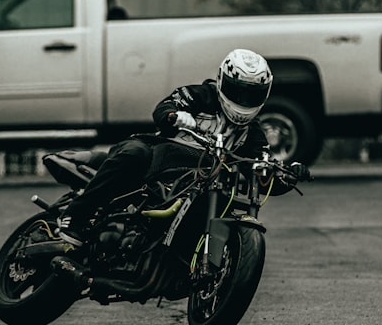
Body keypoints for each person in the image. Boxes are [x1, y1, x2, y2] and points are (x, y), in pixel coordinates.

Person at [56, 48, 306, 249]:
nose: (242, 101)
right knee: (134, 153)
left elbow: (262, 171)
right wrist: (174, 116)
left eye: (251, 95)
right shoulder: (202, 95)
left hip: (198, 184)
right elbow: (165, 106)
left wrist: (286, 175)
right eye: (237, 92)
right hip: (158, 155)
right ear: (221, 81)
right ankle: (75, 215)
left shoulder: (253, 133)